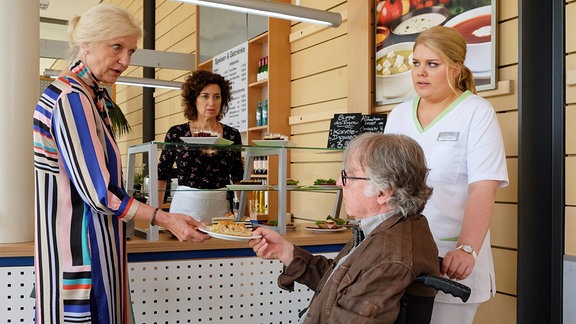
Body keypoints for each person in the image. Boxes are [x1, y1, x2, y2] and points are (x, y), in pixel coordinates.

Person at [32, 4, 210, 323]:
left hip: (93, 256)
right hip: (84, 264)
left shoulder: (90, 96)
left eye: (130, 50)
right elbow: (100, 194)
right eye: (117, 47)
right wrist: (165, 219)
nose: (126, 61)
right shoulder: (72, 98)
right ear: (86, 44)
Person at [384, 25, 509, 324]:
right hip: (399, 258)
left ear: (455, 68)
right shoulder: (398, 114)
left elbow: (483, 187)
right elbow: (385, 183)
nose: (420, 72)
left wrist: (466, 248)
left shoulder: (477, 112)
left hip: (449, 260)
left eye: (432, 64)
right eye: (416, 63)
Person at [249, 133, 439, 323]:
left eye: (347, 176)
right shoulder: (386, 229)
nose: (339, 183)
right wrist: (286, 252)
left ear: (382, 192)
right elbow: (340, 286)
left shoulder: (389, 258)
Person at [157, 70, 244, 224]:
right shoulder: (176, 133)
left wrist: (244, 217)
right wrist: (156, 217)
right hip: (184, 210)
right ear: (194, 99)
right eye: (205, 96)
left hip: (221, 211)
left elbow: (238, 177)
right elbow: (162, 175)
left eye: (217, 97)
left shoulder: (232, 135)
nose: (211, 102)